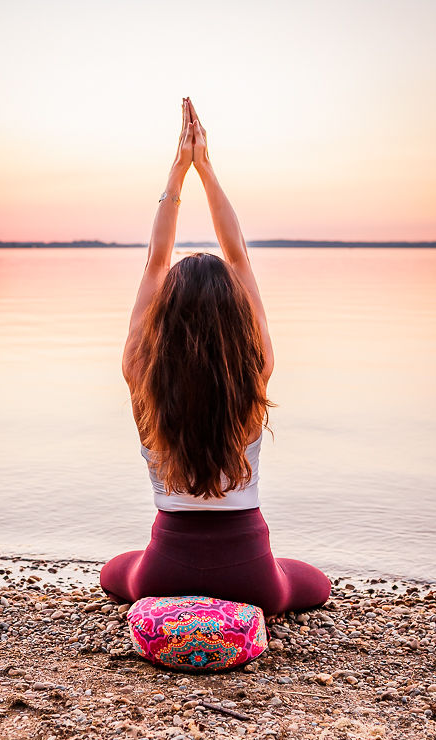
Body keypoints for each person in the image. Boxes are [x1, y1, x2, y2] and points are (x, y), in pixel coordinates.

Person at [99, 97, 331, 617]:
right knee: (315, 582)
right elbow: (238, 259)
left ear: (164, 316)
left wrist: (177, 172)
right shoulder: (254, 370)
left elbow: (156, 262)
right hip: (251, 572)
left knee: (114, 570)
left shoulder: (140, 373)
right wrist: (206, 168)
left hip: (163, 570)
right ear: (236, 318)